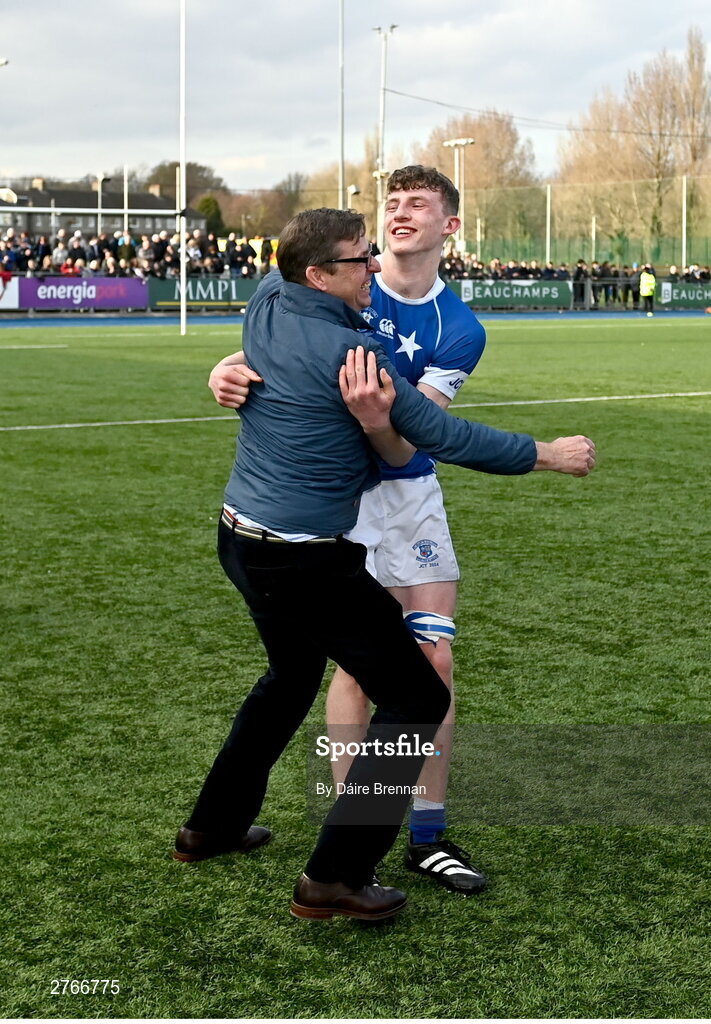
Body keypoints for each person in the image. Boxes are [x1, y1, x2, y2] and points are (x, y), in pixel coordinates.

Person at [177, 206, 595, 924]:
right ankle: (334, 877)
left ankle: (210, 827)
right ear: (316, 275)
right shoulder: (351, 358)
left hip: (239, 537)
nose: (370, 267)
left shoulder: (268, 300)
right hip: (303, 559)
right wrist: (548, 454)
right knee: (416, 698)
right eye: (356, 260)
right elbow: (439, 435)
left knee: (290, 675)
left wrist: (227, 364)